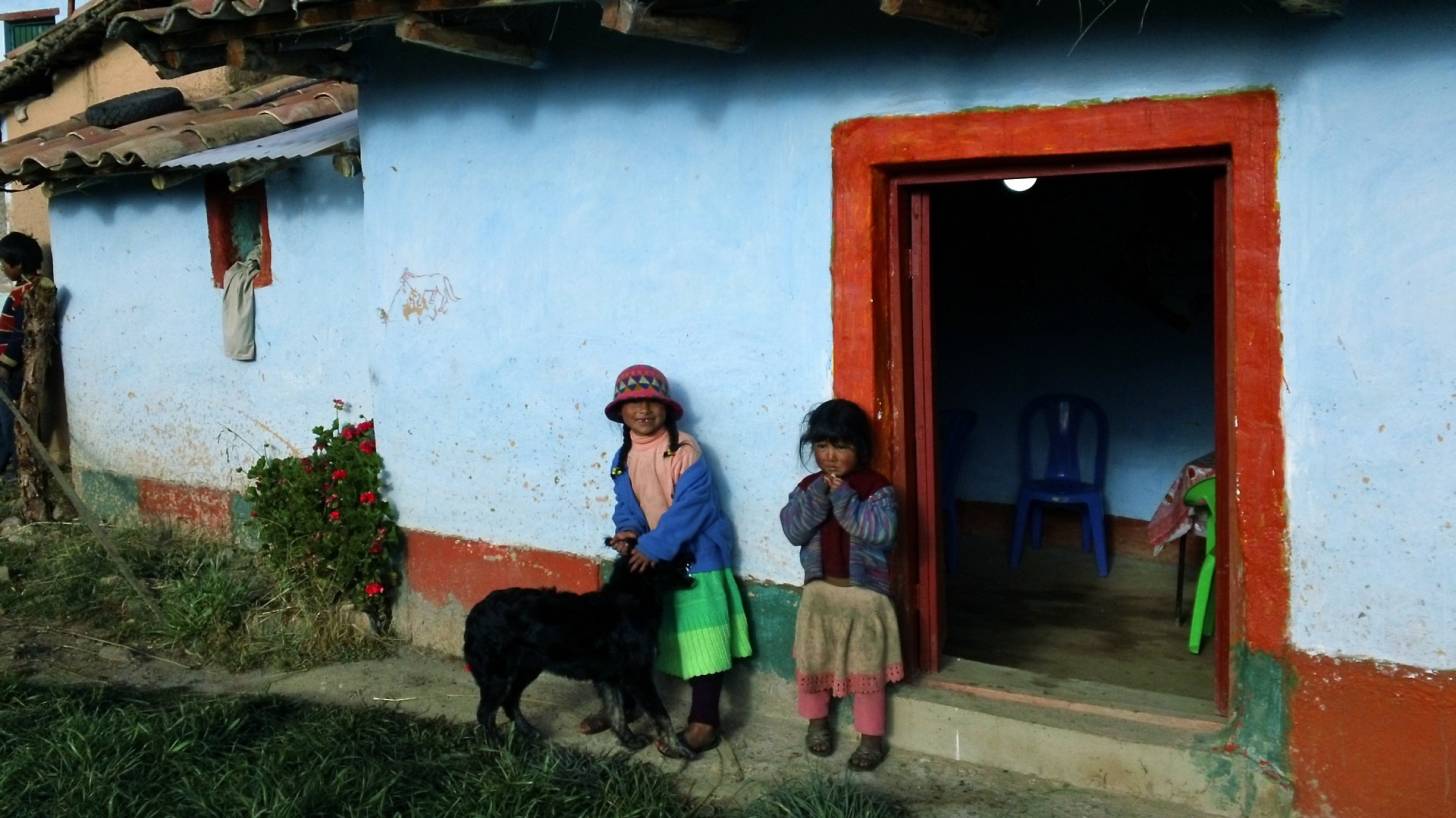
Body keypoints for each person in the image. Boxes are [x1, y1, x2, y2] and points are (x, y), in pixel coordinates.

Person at [582, 363, 753, 756]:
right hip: (651, 559)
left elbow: (691, 509)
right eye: (632, 403)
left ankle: (704, 722)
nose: (643, 410)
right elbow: (627, 505)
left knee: (703, 640)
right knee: (633, 639)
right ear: (619, 413)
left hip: (697, 558)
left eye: (652, 402)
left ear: (667, 409)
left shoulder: (685, 449)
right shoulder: (623, 456)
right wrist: (628, 532)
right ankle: (622, 708)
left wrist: (653, 546)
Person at [779, 398, 903, 771]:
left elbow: (881, 533)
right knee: (814, 663)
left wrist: (844, 500)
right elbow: (792, 529)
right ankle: (817, 725)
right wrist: (819, 498)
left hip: (864, 598)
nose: (830, 456)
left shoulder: (876, 489)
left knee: (868, 672)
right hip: (820, 594)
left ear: (860, 448)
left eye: (842, 446)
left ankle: (871, 739)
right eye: (822, 446)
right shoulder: (808, 487)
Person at [0, 232, 43, 476]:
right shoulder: (28, 288)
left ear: (17, 264)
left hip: (13, 368)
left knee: (9, 420)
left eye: (4, 264)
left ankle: (15, 469)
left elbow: (20, 334)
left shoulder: (27, 292)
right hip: (13, 365)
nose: (3, 269)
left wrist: (5, 364)